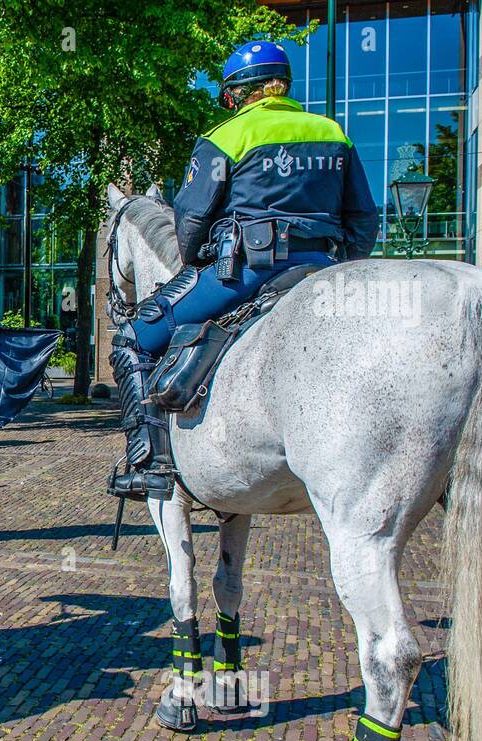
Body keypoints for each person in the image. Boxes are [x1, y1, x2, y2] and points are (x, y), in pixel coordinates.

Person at [109, 40, 378, 500]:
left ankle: (148, 463)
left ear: (237, 94)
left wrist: (196, 266)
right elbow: (364, 219)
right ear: (283, 87)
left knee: (132, 340)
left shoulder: (227, 135)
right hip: (320, 269)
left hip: (248, 271)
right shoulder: (334, 133)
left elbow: (190, 220)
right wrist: (341, 268)